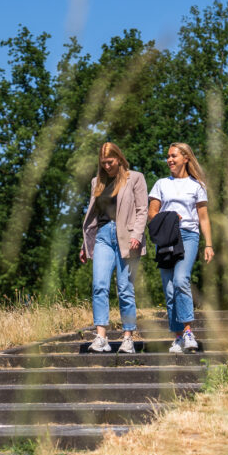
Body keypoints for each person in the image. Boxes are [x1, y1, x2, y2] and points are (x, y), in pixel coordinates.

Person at [80, 142, 148, 353]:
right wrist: (85, 244)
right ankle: (101, 337)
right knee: (99, 285)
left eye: (110, 162)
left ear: (119, 158)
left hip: (127, 236)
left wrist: (137, 234)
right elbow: (92, 216)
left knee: (125, 288)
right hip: (102, 236)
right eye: (103, 163)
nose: (107, 166)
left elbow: (142, 209)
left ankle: (128, 337)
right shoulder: (96, 182)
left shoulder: (135, 178)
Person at [148, 143, 214, 353]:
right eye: (167, 156)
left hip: (188, 235)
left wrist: (209, 244)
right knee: (169, 290)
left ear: (186, 158)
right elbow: (152, 213)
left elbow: (203, 218)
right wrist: (168, 218)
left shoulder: (197, 186)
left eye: (173, 156)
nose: (169, 160)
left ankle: (187, 332)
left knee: (180, 279)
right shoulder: (161, 184)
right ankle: (177, 337)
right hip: (166, 238)